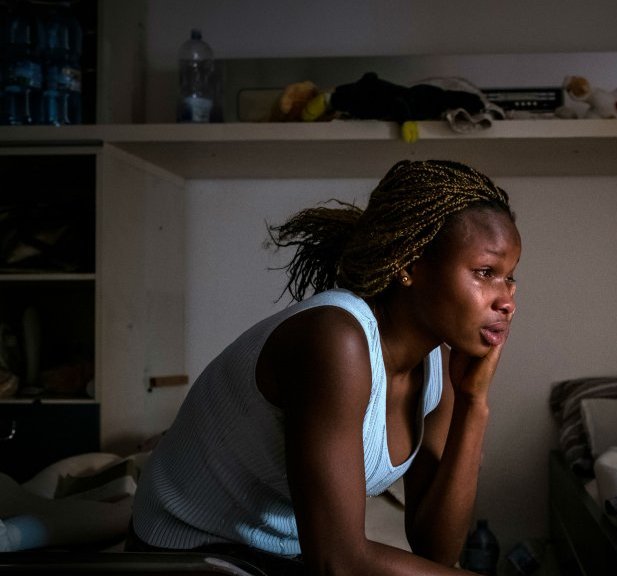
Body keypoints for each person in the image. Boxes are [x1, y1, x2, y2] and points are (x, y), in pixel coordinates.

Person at [128, 159, 521, 576]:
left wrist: (473, 403)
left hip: (278, 558)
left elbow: (435, 550)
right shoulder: (335, 340)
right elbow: (339, 562)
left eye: (511, 278)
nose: (507, 301)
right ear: (409, 265)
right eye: (485, 273)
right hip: (191, 555)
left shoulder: (438, 364)